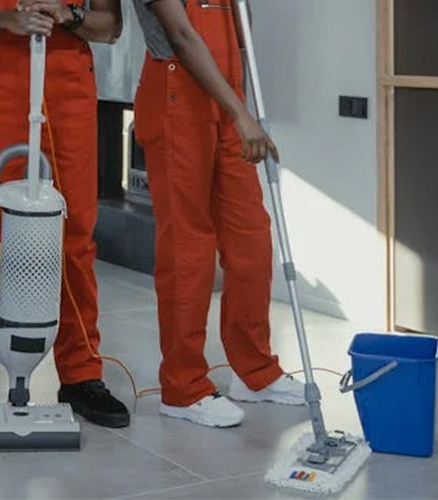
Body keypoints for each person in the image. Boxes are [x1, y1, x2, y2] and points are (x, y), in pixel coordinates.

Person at [0, 0, 130, 433]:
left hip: (68, 85)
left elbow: (110, 27)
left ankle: (80, 374)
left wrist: (69, 16)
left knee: (75, 237)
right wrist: (4, 19)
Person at [132, 0, 304, 428]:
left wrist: (236, 109)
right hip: (177, 95)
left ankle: (256, 372)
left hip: (227, 97)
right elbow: (182, 36)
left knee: (251, 238)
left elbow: (241, 33)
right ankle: (183, 386)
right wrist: (241, 114)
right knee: (187, 250)